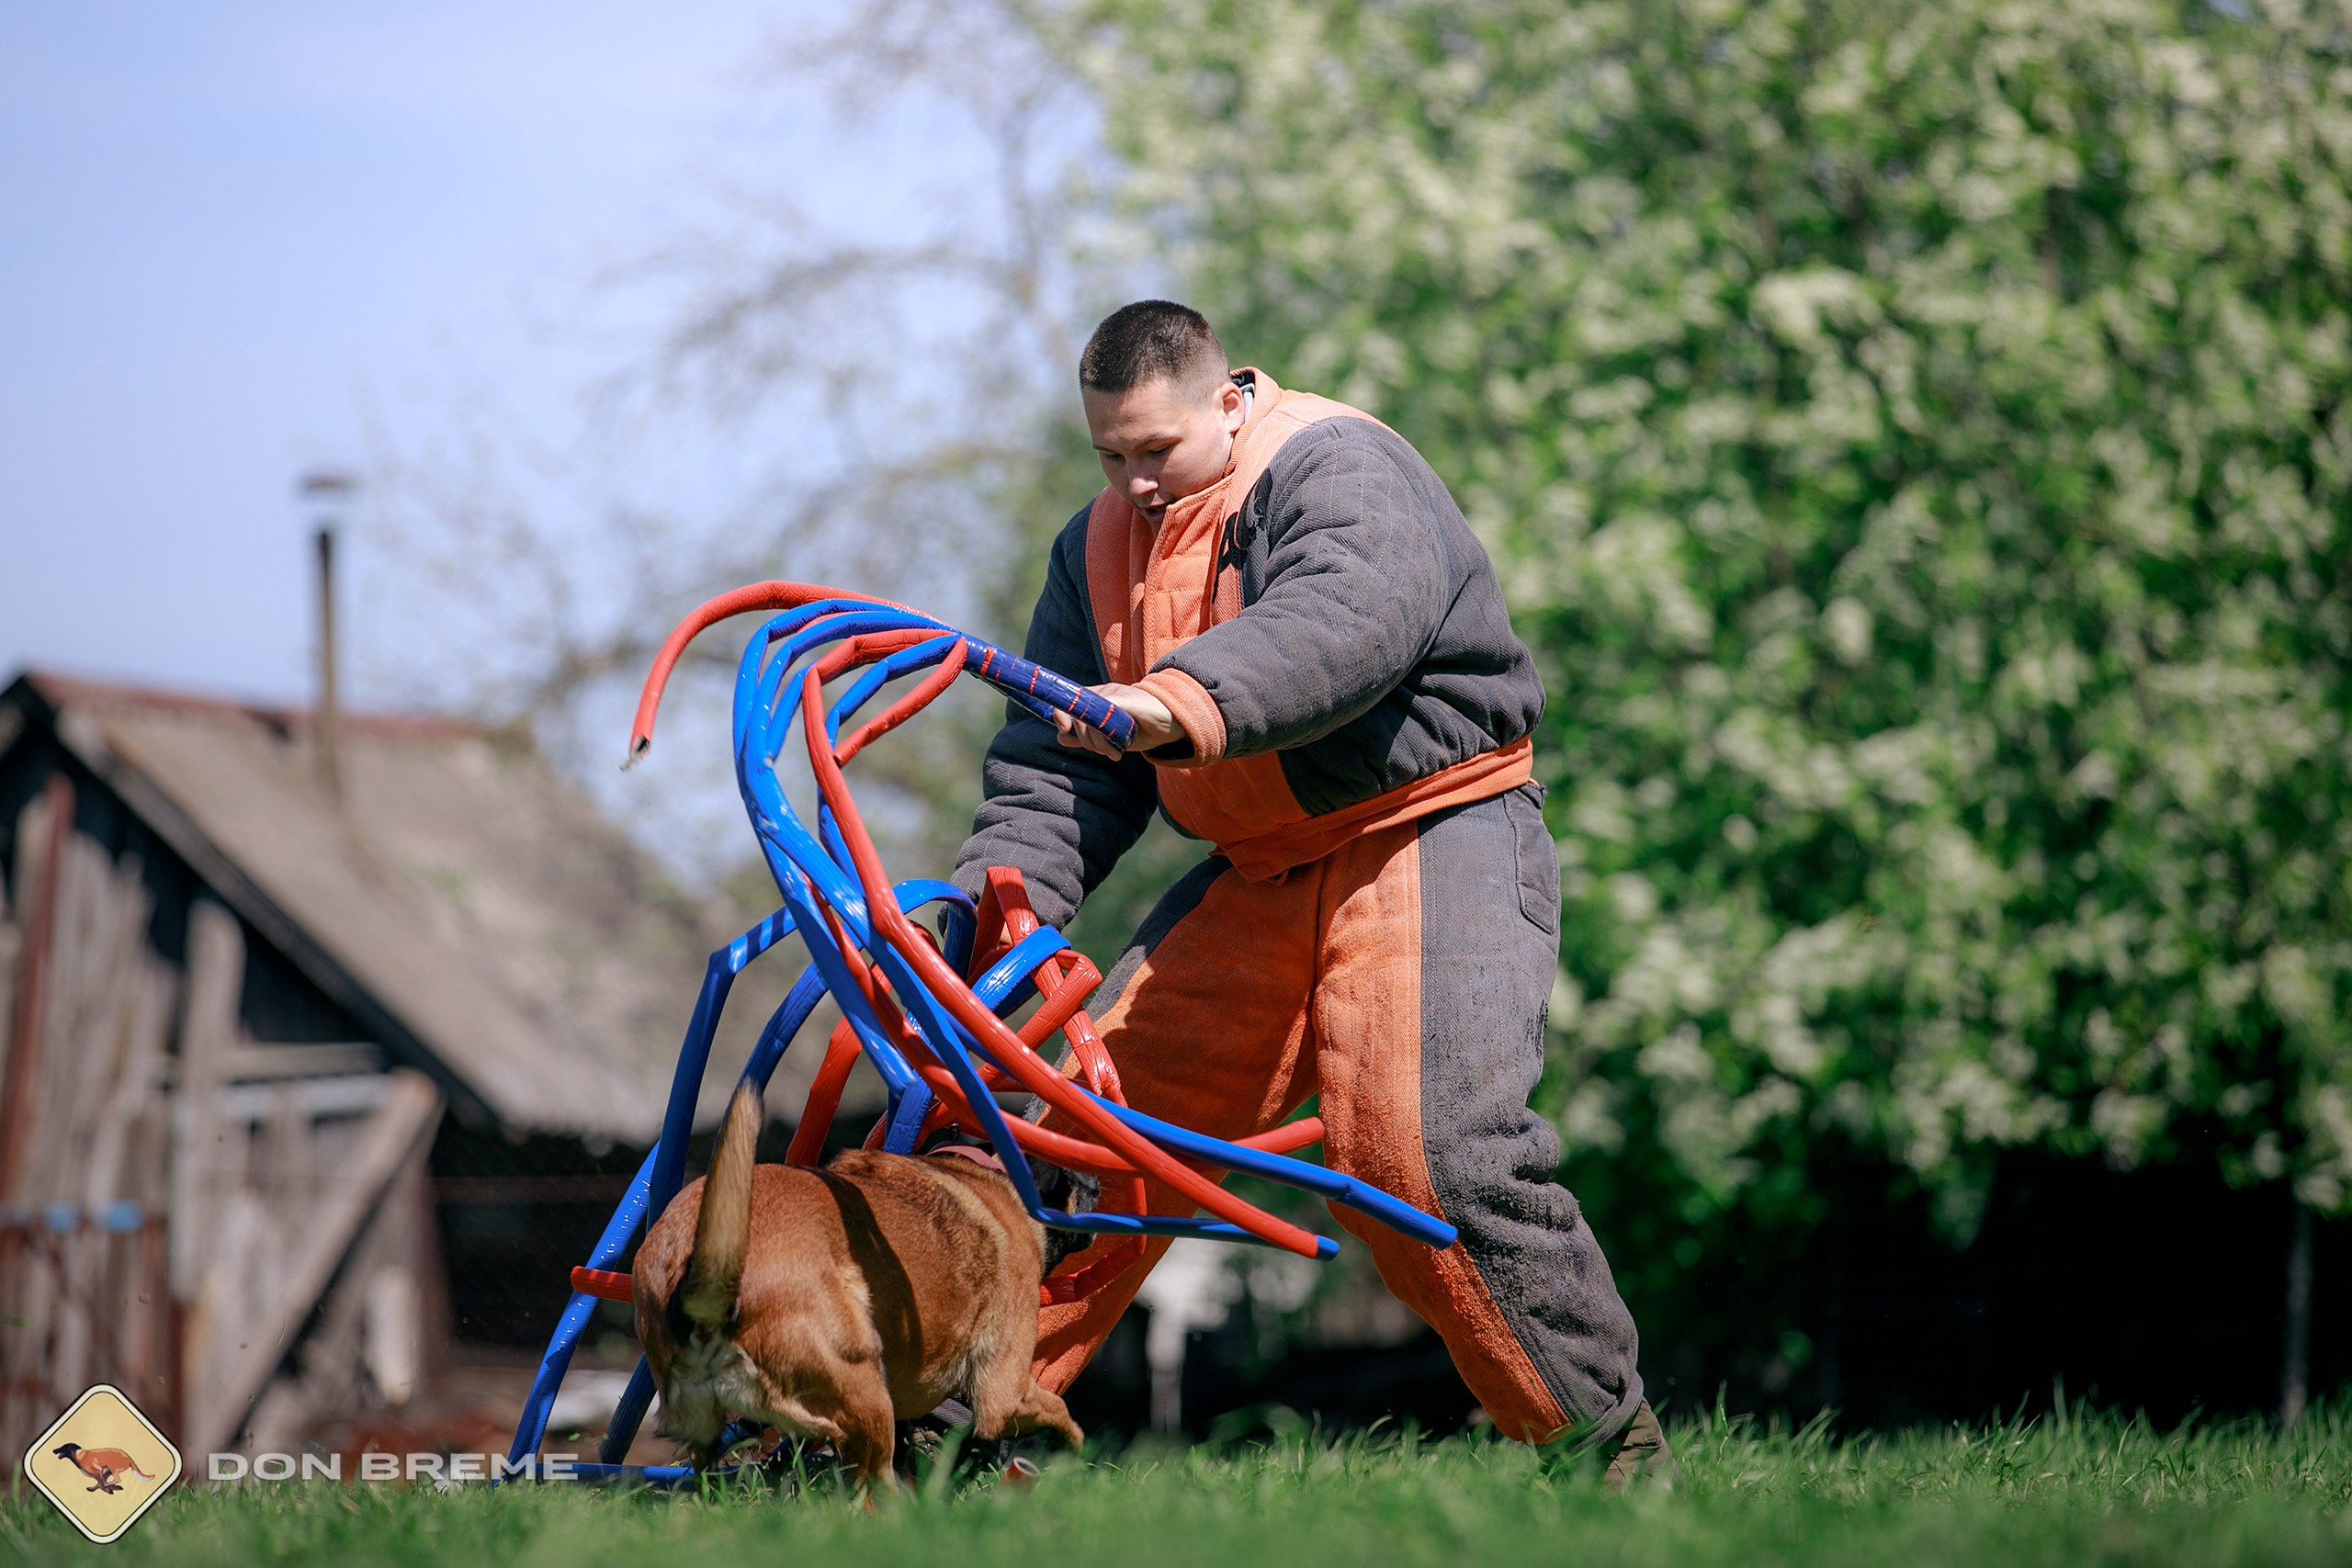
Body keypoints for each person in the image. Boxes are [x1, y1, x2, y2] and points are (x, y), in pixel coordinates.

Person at [954, 299, 1673, 1484]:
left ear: (1230, 402)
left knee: (1424, 1159)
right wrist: (998, 910)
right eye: (1111, 454)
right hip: (1258, 868)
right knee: (1069, 1129)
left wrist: (1175, 700)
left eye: (1158, 450)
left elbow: (1347, 620)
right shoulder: (1092, 552)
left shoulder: (1340, 464)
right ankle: (944, 1442)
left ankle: (1608, 1454)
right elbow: (1054, 764)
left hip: (1432, 831)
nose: (1135, 482)